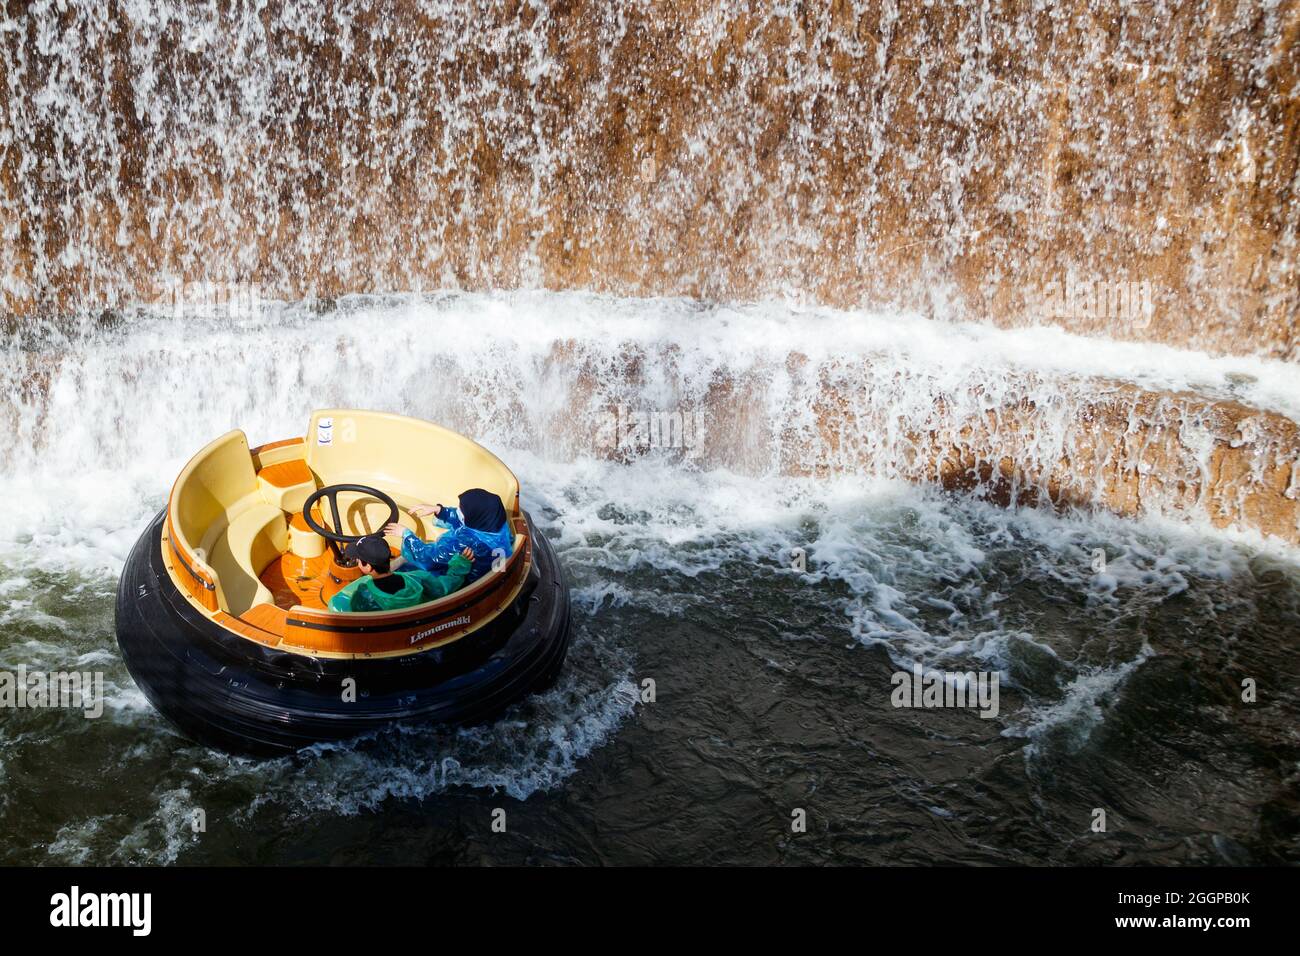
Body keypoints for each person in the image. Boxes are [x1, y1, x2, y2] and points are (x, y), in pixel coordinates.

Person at [384, 488, 513, 584]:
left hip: (462, 582)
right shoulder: (494, 523)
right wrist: (441, 511)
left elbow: (428, 559)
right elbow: (466, 519)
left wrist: (406, 535)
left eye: (461, 509)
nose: (457, 510)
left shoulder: (467, 543)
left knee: (404, 573)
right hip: (492, 573)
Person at [328, 534, 474, 613]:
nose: (358, 562)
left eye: (359, 560)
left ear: (367, 567)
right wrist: (460, 566)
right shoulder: (418, 578)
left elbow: (338, 608)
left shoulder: (362, 594)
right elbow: (443, 588)